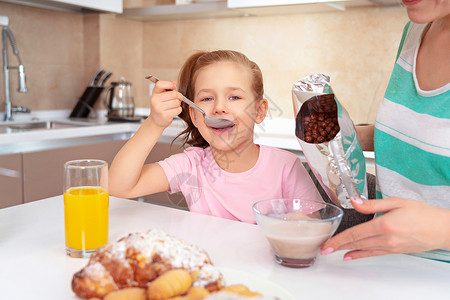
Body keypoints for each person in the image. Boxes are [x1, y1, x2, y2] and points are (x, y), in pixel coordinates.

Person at [109, 50, 322, 223]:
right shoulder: (190, 165)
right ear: (193, 114)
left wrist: (295, 222)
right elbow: (119, 187)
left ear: (259, 111)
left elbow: (314, 228)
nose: (219, 108)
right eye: (208, 98)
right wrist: (154, 123)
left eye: (234, 97)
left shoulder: (286, 166)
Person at [321, 0, 450, 261]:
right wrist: (343, 137)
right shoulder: (415, 31)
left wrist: (443, 229)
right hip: (386, 264)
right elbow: (415, 138)